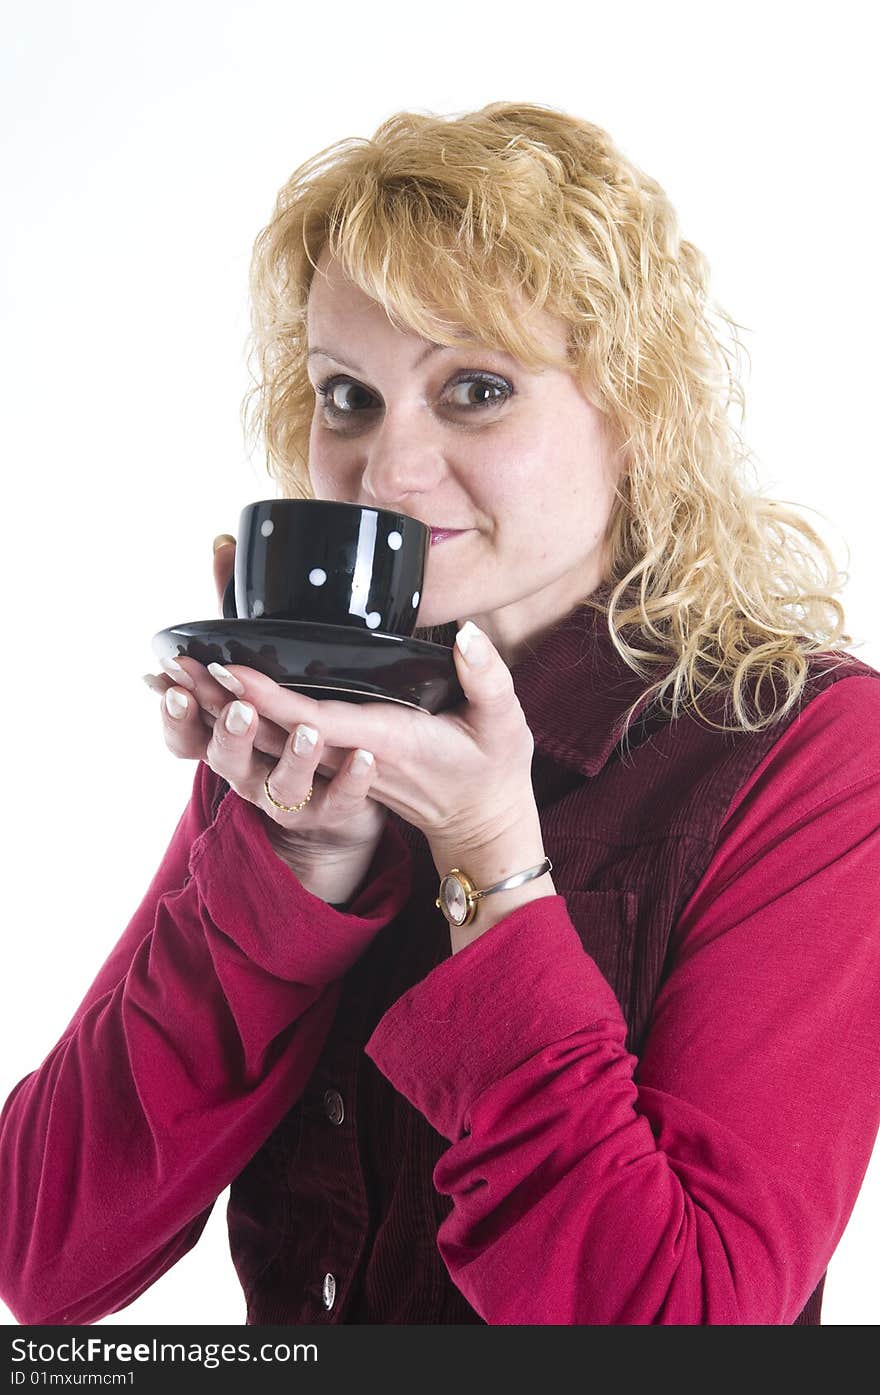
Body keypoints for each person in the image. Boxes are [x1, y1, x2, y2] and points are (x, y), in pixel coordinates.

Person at [1, 101, 878, 1328]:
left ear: (634, 416)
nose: (387, 476)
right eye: (347, 397)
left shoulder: (810, 749)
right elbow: (46, 1257)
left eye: (473, 388)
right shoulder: (299, 725)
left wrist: (490, 868)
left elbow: (684, 1330)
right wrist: (296, 873)